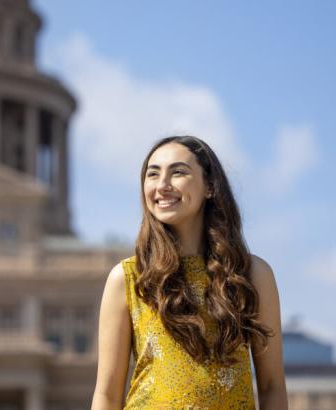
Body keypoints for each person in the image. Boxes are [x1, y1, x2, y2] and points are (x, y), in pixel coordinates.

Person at [91, 136, 287, 409]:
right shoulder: (127, 278)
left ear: (209, 185)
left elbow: (272, 387)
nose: (162, 185)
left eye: (178, 172)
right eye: (153, 174)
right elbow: (107, 394)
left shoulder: (252, 275)